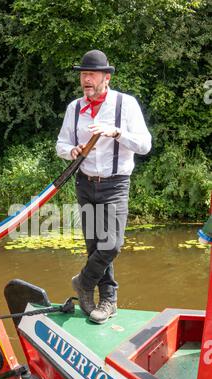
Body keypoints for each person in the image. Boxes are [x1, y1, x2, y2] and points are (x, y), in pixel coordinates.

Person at [56, 50, 152, 324]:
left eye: (91, 75)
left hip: (116, 184)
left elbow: (145, 145)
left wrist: (117, 132)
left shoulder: (126, 105)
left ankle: (83, 282)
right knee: (94, 244)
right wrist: (70, 150)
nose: (86, 79)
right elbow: (60, 144)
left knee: (112, 244)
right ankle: (103, 300)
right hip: (84, 183)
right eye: (83, 74)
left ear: (106, 78)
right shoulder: (74, 108)